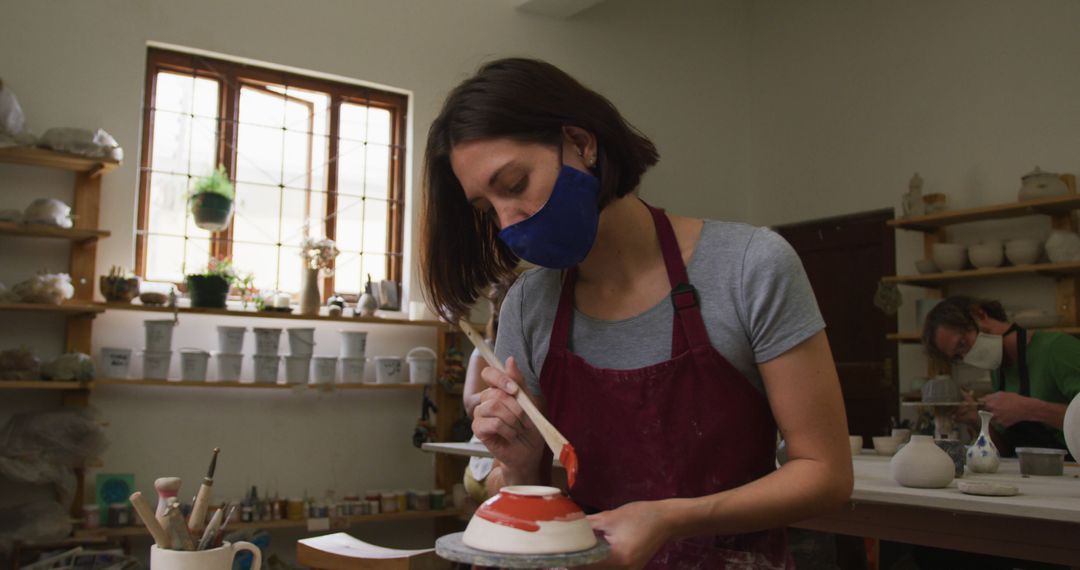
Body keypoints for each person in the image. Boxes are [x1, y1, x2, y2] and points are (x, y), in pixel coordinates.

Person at [421, 58, 852, 568]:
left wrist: (672, 518)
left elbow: (826, 474)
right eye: (487, 209)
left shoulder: (748, 267)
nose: (508, 221)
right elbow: (541, 500)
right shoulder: (530, 305)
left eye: (514, 185)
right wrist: (518, 466)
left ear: (582, 143)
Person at [922, 296, 1080, 456]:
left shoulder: (1057, 349)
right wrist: (978, 421)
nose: (967, 356)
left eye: (962, 344)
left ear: (980, 315)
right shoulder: (998, 370)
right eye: (958, 355)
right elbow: (1005, 452)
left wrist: (1031, 410)